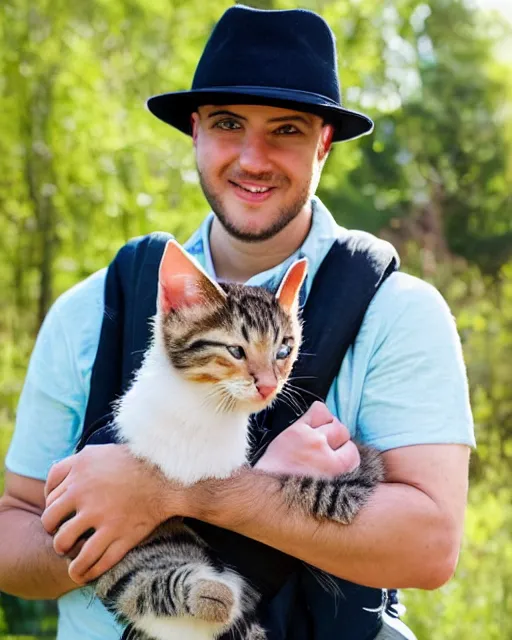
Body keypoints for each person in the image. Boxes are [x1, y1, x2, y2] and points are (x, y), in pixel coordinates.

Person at [0, 5, 474, 640]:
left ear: (323, 144)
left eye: (286, 129)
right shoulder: (92, 307)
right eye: (228, 124)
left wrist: (178, 492)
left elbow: (430, 546)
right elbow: (12, 533)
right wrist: (104, 522)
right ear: (195, 130)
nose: (253, 158)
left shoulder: (402, 312)